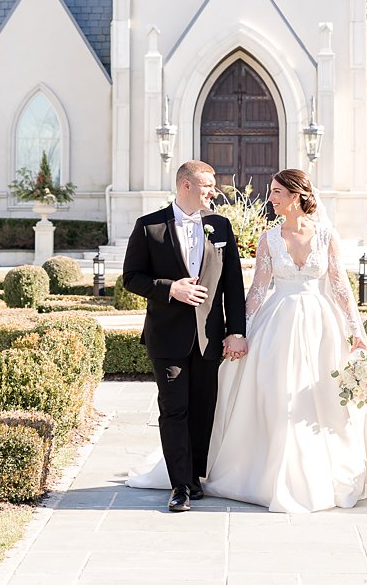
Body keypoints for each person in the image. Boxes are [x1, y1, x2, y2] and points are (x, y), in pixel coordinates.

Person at [127, 167, 367, 513]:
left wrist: (357, 333)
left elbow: (340, 288)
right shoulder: (268, 239)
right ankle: (186, 482)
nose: (270, 198)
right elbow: (256, 291)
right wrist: (240, 333)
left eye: (277, 192)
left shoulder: (323, 235)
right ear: (186, 185)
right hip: (276, 324)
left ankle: (316, 472)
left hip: (321, 326)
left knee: (314, 399)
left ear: (296, 196)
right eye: (271, 191)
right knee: (270, 396)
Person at [121, 160, 248, 513]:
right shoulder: (149, 228)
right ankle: (179, 486)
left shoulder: (220, 226)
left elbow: (233, 284)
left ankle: (194, 476)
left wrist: (236, 330)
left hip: (210, 337)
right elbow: (131, 277)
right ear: (185, 185)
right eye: (208, 185)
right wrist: (169, 288)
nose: (214, 191)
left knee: (204, 409)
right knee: (174, 409)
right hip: (167, 336)